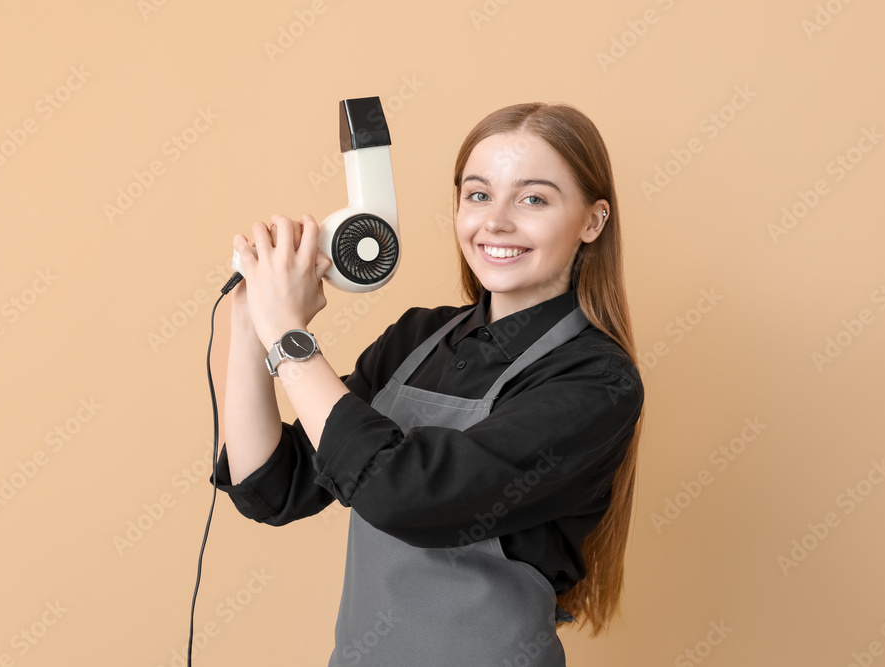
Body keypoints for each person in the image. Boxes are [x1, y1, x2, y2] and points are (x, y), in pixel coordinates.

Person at [211, 101, 646, 666]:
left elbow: (406, 495)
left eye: (533, 198)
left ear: (593, 220)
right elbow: (272, 486)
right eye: (478, 194)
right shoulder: (418, 337)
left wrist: (289, 337)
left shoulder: (597, 380)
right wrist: (250, 322)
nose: (496, 221)